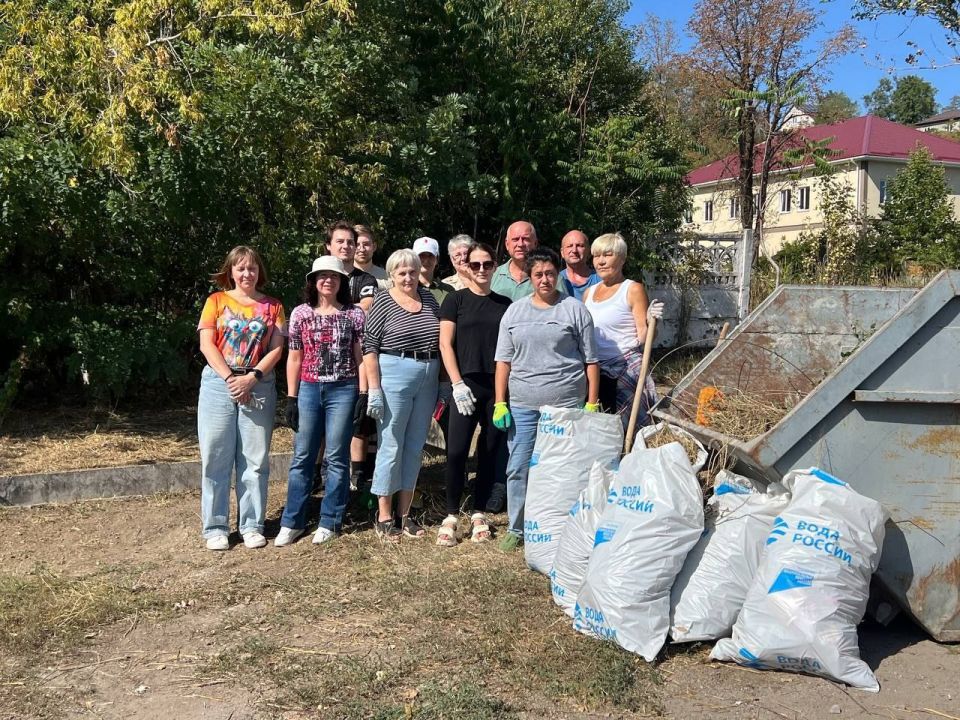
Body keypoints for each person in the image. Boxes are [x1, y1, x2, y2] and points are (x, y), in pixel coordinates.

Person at [493, 247, 599, 551]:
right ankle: (517, 526)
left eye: (550, 273)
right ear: (529, 277)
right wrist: (501, 402)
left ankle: (560, 525)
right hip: (524, 404)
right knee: (519, 466)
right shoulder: (515, 312)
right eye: (538, 274)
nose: (544, 279)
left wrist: (591, 402)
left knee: (563, 468)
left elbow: (591, 361)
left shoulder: (574, 310)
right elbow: (503, 361)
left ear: (558, 274)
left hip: (566, 405)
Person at [197, 246, 286, 551]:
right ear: (230, 271)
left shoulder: (273, 306)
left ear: (259, 271)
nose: (247, 274)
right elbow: (207, 344)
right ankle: (215, 527)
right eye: (241, 268)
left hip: (258, 383)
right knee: (215, 455)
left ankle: (251, 524)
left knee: (255, 458)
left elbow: (276, 348)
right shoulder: (216, 301)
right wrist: (230, 379)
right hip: (218, 383)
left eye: (252, 268)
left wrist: (252, 378)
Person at [275, 256, 365, 547]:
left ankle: (330, 520)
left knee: (337, 457)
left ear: (342, 282)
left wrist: (363, 394)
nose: (328, 280)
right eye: (322, 276)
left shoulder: (353, 314)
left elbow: (360, 357)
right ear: (313, 281)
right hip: (310, 389)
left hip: (343, 388)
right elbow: (295, 357)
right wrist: (292, 396)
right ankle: (292, 521)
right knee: (303, 456)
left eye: (334, 276)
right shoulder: (301, 314)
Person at [364, 249, 447, 542]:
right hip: (394, 371)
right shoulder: (384, 301)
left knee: (415, 447)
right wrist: (374, 389)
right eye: (402, 272)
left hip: (428, 373)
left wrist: (444, 382)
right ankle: (384, 514)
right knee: (391, 443)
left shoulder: (429, 300)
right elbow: (369, 347)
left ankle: (405, 513)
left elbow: (443, 342)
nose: (408, 277)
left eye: (412, 271)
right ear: (391, 275)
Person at [437, 242, 512, 546]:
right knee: (455, 451)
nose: (482, 269)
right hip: (464, 385)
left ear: (495, 266)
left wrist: (503, 396)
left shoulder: (505, 303)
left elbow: (509, 350)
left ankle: (479, 511)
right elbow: (445, 344)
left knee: (489, 451)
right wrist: (456, 384)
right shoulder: (455, 300)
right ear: (466, 266)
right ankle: (451, 514)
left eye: (487, 264)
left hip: (495, 386)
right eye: (475, 264)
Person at [582, 232, 664, 435]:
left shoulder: (632, 289)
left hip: (625, 369)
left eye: (607, 255)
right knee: (599, 429)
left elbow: (645, 336)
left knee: (627, 429)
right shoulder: (589, 293)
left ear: (622, 258)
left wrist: (652, 320)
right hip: (595, 370)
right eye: (596, 256)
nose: (600, 261)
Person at [325, 221, 378, 311]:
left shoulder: (366, 279)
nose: (345, 246)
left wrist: (331, 310)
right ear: (328, 245)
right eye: (340, 241)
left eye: (350, 242)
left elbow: (367, 306)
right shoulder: (318, 277)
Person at [490, 220, 539, 300]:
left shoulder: (549, 277)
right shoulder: (493, 275)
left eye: (525, 239)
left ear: (535, 243)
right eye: (515, 239)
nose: (520, 244)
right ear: (507, 244)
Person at [559, 230, 600, 301]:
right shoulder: (555, 281)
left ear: (588, 251)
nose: (574, 250)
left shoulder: (601, 279)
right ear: (562, 252)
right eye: (569, 246)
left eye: (579, 246)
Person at [413, 236, 455, 305]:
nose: (426, 260)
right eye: (421, 255)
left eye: (430, 255)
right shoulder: (407, 288)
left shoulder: (448, 291)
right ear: (414, 259)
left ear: (437, 259)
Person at [354, 224, 391, 290]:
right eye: (357, 245)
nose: (362, 249)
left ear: (374, 247)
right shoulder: (342, 276)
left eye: (366, 244)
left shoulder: (386, 277)